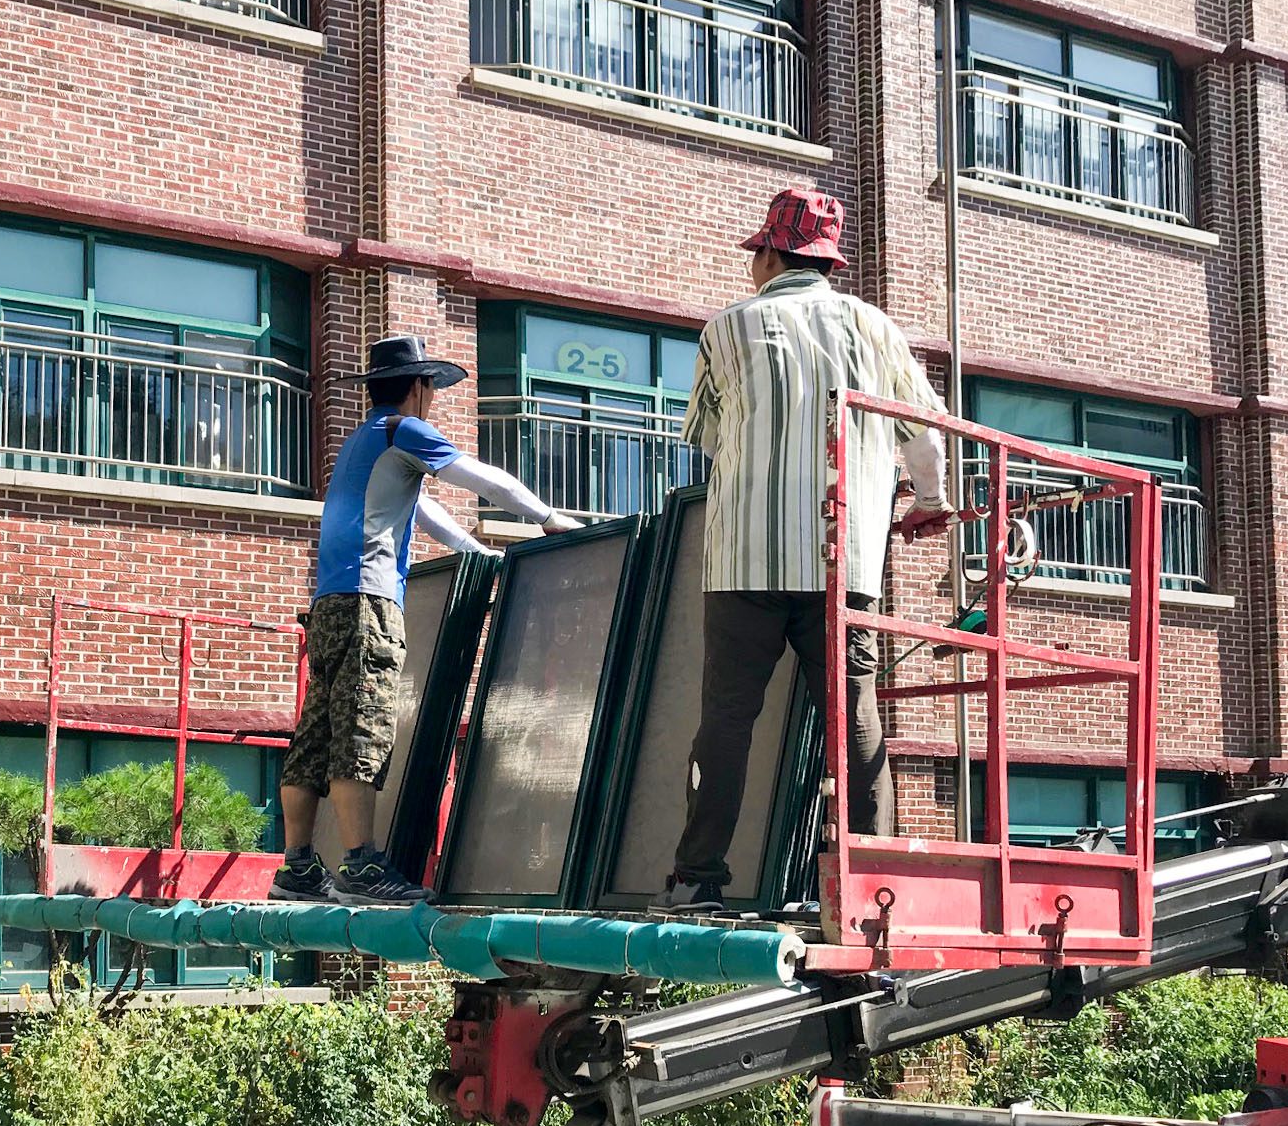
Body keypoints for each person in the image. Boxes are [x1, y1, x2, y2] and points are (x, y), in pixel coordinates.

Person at [652, 189, 953, 912]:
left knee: (727, 716)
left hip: (743, 558)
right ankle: (869, 878)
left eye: (755, 253)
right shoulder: (873, 326)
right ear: (826, 258)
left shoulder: (728, 327)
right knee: (853, 713)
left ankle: (701, 876)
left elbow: (707, 436)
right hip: (841, 555)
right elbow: (924, 433)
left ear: (770, 253)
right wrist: (930, 501)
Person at [270, 335, 581, 905]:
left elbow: (422, 509)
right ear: (418, 388)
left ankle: (297, 867)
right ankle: (360, 865)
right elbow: (480, 477)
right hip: (368, 603)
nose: (433, 400)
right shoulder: (403, 430)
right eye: (432, 389)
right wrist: (547, 517)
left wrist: (473, 553)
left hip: (329, 604)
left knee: (316, 731)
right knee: (362, 727)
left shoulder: (363, 442)